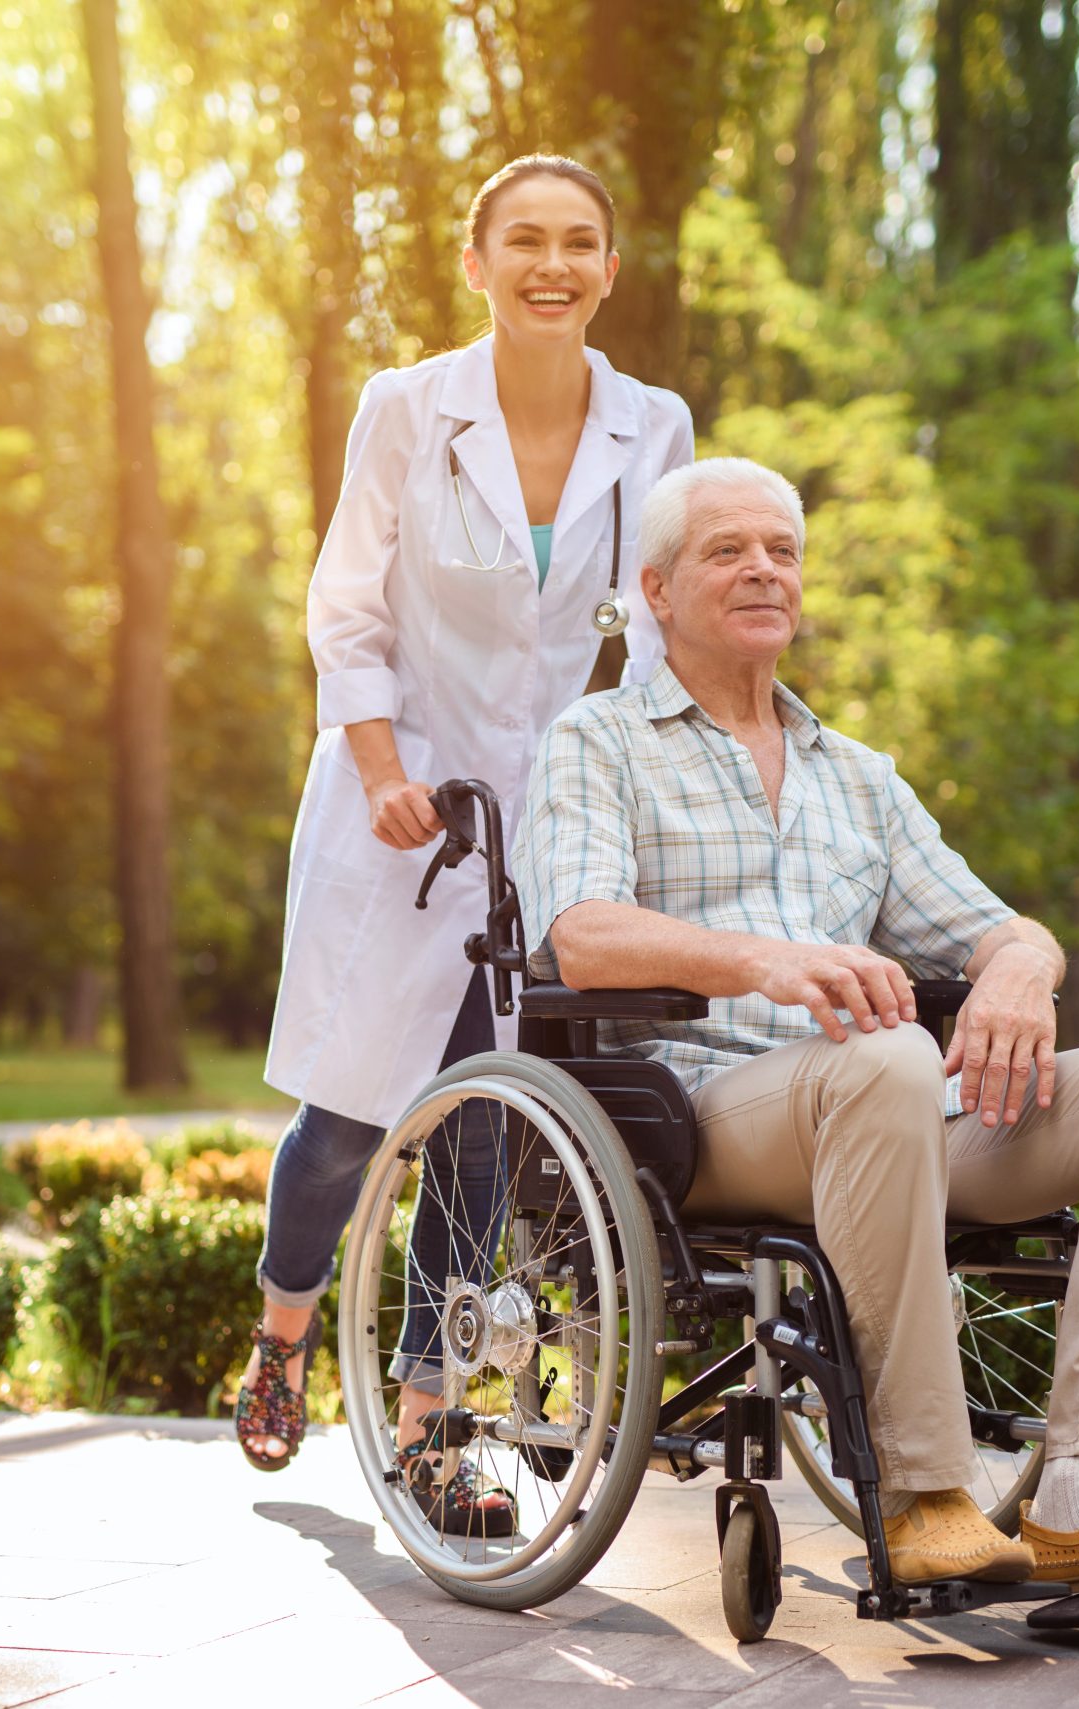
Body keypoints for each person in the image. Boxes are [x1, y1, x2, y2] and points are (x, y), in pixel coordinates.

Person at [511, 456, 1079, 1589]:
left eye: (781, 550)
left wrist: (1021, 968)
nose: (763, 569)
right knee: (882, 1055)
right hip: (703, 1111)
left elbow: (993, 924)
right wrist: (764, 961)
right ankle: (924, 1491)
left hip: (902, 1106)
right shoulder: (598, 739)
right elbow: (582, 932)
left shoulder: (856, 775)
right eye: (728, 550)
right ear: (659, 589)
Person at [236, 155, 696, 1539]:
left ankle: (430, 1421)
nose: (551, 265)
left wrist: (637, 790)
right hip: (407, 804)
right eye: (526, 242)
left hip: (550, 819)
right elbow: (348, 604)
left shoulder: (653, 424)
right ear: (480, 260)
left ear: (610, 269)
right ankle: (281, 1329)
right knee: (348, 1115)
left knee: (490, 1127)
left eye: (579, 243)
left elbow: (657, 625)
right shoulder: (407, 408)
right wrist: (382, 770)